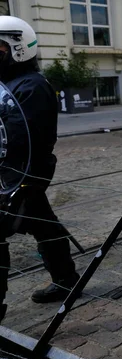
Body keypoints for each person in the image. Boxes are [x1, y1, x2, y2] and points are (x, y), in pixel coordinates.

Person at [0, 16, 80, 323]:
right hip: (14, 174)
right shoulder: (10, 82)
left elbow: (23, 136)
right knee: (43, 222)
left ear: (17, 48)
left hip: (23, 173)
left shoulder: (32, 86)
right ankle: (65, 279)